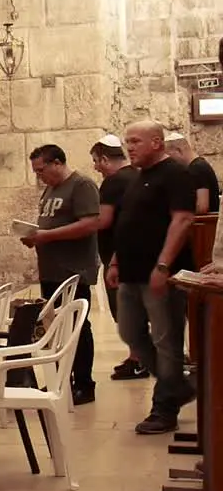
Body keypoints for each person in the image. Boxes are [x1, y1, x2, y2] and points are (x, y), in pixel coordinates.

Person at [109, 120, 196, 435]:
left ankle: (165, 408)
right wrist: (116, 261)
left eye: (135, 141)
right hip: (131, 273)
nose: (129, 147)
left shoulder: (176, 174)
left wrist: (163, 266)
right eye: (127, 141)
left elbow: (183, 219)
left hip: (160, 274)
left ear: (157, 142)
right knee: (130, 333)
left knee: (165, 340)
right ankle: (180, 387)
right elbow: (128, 223)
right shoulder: (136, 178)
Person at [22, 144, 101, 406]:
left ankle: (84, 384)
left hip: (72, 269)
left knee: (77, 327)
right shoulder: (51, 189)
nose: (39, 176)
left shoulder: (82, 186)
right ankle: (63, 379)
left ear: (57, 163)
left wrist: (47, 236)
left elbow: (90, 224)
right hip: (51, 270)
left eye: (41, 170)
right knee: (56, 328)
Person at [89, 135, 148, 381]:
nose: (95, 167)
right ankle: (138, 357)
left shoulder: (113, 183)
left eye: (95, 161)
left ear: (105, 159)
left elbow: (107, 221)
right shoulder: (139, 176)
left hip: (120, 256)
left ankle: (139, 360)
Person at [165, 131, 219, 215]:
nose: (169, 161)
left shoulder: (197, 168)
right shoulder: (198, 165)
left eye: (169, 155)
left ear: (179, 150)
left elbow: (202, 207)